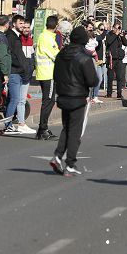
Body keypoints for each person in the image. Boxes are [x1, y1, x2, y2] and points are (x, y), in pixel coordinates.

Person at [50, 26, 98, 177]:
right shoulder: (84, 57)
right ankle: (70, 163)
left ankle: (58, 156)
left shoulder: (61, 54)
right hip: (77, 97)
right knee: (75, 130)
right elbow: (92, 80)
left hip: (63, 94)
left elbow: (55, 75)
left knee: (67, 127)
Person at [34, 15, 62, 140]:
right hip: (48, 73)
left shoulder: (45, 36)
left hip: (45, 72)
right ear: (55, 25)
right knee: (48, 101)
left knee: (49, 101)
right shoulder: (47, 38)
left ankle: (42, 128)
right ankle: (42, 128)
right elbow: (56, 55)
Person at [4, 15, 33, 134]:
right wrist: (23, 66)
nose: (22, 26)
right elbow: (13, 56)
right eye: (20, 24)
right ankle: (8, 125)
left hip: (19, 72)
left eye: (24, 24)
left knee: (15, 99)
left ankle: (13, 124)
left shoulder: (16, 37)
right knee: (15, 99)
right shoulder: (11, 37)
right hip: (14, 72)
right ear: (14, 24)